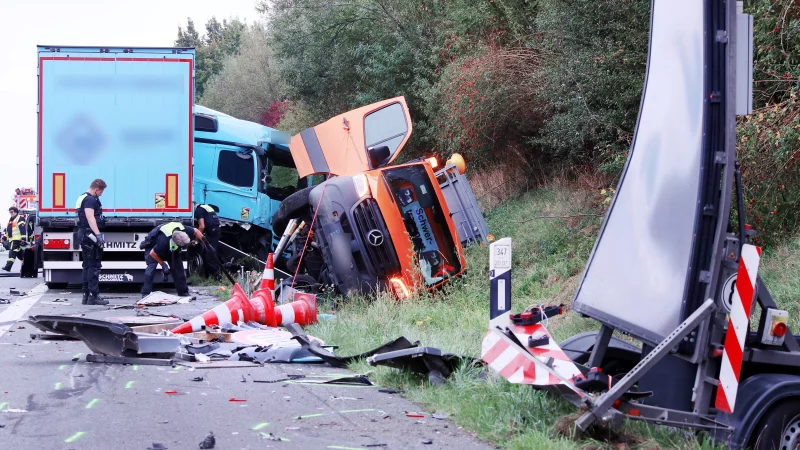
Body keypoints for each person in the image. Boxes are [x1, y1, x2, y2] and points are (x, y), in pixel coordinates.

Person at [141, 221, 203, 298]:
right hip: (152, 246)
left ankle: (183, 292)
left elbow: (196, 231)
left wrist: (205, 242)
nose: (186, 247)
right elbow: (153, 253)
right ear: (177, 243)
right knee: (152, 266)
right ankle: (146, 293)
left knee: (178, 268)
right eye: (184, 246)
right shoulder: (164, 242)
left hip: (170, 246)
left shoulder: (183, 229)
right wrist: (163, 265)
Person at [76, 179, 108, 305]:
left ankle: (86, 296)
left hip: (84, 233)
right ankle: (93, 296)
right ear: (97, 189)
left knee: (87, 265)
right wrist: (98, 235)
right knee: (93, 266)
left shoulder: (81, 197)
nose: (101, 194)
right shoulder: (90, 199)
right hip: (90, 235)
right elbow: (90, 217)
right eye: (101, 192)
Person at [194, 204, 221, 280]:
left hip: (211, 233)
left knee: (209, 256)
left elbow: (202, 226)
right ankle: (211, 276)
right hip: (216, 231)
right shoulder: (206, 207)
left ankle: (217, 276)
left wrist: (196, 239)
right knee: (213, 253)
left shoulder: (198, 210)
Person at [2, 207, 27, 272]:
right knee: (20, 255)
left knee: (12, 253)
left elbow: (22, 229)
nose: (10, 213)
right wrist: (4, 237)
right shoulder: (11, 219)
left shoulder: (20, 218)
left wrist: (23, 238)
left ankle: (8, 267)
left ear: (16, 212)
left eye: (12, 212)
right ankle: (27, 266)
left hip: (17, 240)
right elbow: (8, 230)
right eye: (10, 212)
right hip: (12, 239)